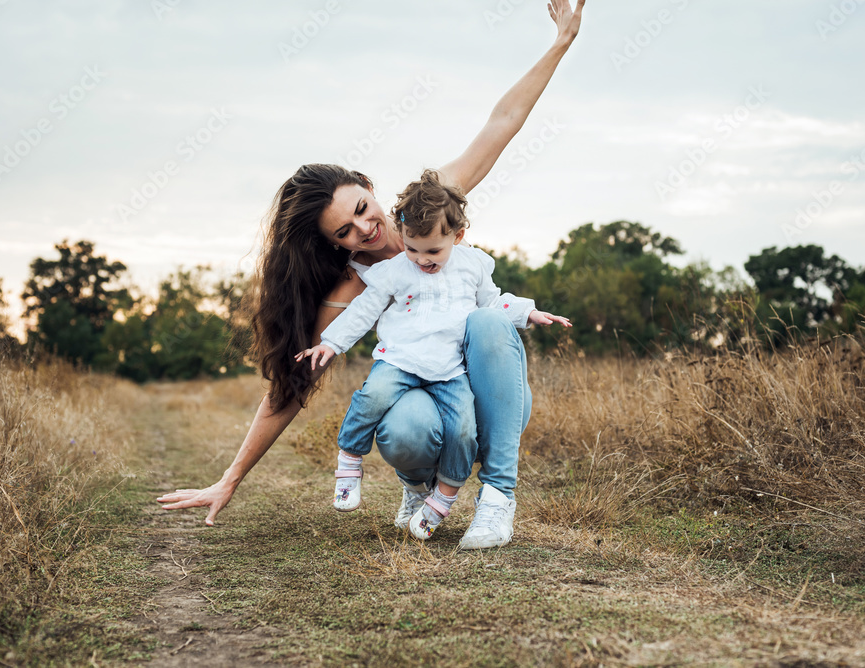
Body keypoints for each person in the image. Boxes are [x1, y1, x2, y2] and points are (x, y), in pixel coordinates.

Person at [156, 0, 586, 550]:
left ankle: (498, 496)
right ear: (333, 246)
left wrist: (558, 45)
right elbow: (292, 387)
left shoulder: (428, 207)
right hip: (428, 401)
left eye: (362, 207)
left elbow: (501, 123)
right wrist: (230, 478)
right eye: (345, 231)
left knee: (489, 322)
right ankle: (418, 486)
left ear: (367, 184)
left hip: (485, 392)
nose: (366, 228)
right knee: (402, 425)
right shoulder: (355, 284)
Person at [296, 171, 570, 540]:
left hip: (450, 371)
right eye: (412, 249)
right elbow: (363, 310)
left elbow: (492, 301)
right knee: (372, 396)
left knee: (463, 430)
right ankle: (349, 466)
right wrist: (330, 343)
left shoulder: (472, 265)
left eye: (433, 252)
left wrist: (527, 312)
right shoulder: (394, 270)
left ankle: (443, 504)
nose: (421, 260)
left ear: (457, 237)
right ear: (404, 235)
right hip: (400, 361)